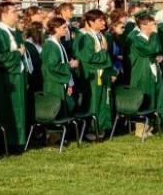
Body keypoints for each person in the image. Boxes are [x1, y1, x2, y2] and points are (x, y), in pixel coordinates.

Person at [0, 2, 29, 151]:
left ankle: (19, 141)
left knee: (19, 109)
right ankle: (8, 143)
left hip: (17, 76)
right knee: (9, 110)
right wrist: (17, 54)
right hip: (6, 79)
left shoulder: (15, 32)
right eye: (13, 12)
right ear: (3, 15)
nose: (17, 15)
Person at [73, 9, 114, 139]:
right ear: (91, 22)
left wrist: (111, 71)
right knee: (93, 102)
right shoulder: (85, 37)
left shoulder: (101, 35)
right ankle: (91, 130)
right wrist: (103, 53)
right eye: (100, 20)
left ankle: (101, 129)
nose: (104, 23)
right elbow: (88, 57)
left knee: (103, 102)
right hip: (92, 75)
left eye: (104, 20)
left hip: (102, 73)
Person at [128, 12, 163, 136]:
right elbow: (149, 50)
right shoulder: (136, 38)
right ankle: (140, 128)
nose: (155, 27)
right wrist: (154, 36)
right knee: (143, 97)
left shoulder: (152, 37)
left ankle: (150, 126)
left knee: (154, 96)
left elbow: (157, 49)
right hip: (141, 72)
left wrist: (158, 56)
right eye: (152, 24)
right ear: (144, 26)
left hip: (152, 70)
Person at [41, 17, 77, 115]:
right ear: (56, 29)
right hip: (54, 84)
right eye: (64, 27)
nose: (66, 30)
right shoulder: (51, 45)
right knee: (56, 111)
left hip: (61, 83)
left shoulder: (59, 43)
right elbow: (52, 67)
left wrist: (69, 83)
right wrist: (70, 65)